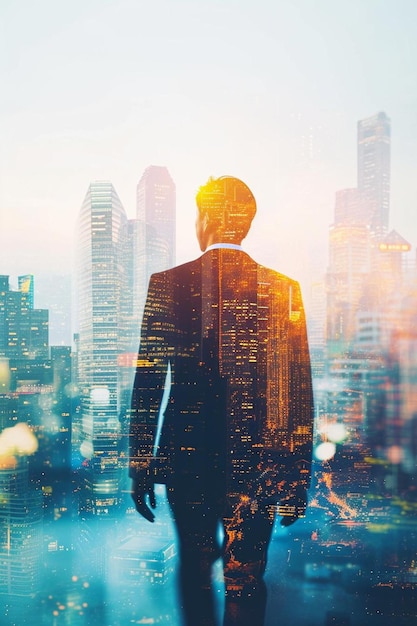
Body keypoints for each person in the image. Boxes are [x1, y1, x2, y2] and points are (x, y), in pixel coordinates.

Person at [129, 176, 314, 626]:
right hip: (260, 463)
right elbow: (298, 394)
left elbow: (148, 384)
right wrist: (297, 477)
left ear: (207, 218)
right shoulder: (282, 288)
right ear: (245, 223)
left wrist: (140, 464)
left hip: (187, 459)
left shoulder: (166, 284)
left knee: (194, 571)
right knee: (246, 581)